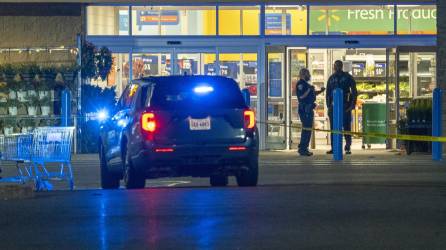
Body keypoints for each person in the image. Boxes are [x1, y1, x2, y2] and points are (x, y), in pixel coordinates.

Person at [326, 60, 358, 155]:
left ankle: (347, 147)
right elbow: (328, 94)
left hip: (345, 106)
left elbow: (354, 92)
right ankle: (334, 147)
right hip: (335, 107)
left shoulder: (348, 77)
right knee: (334, 128)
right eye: (336, 66)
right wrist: (329, 107)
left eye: (338, 66)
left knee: (346, 127)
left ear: (341, 66)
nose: (337, 68)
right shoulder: (332, 78)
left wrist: (352, 105)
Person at [296, 68, 325, 156]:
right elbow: (301, 96)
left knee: (308, 129)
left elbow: (311, 94)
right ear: (303, 74)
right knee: (306, 129)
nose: (309, 75)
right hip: (305, 110)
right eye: (307, 74)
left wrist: (320, 91)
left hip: (308, 109)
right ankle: (303, 149)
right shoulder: (300, 84)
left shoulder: (306, 84)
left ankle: (304, 148)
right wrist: (309, 89)